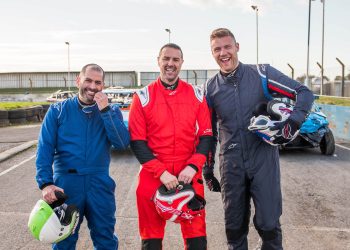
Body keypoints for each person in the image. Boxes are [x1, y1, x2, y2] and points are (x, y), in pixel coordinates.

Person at [203, 28, 314, 250]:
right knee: (234, 228)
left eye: (227, 47)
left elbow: (304, 92)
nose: (223, 53)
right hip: (231, 164)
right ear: (212, 53)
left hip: (263, 159)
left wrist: (293, 121)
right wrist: (208, 169)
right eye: (217, 49)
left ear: (237, 47)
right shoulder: (209, 88)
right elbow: (210, 132)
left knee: (269, 225)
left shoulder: (262, 73)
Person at [35, 63, 130, 250]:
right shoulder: (58, 111)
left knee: (106, 239)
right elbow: (44, 148)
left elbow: (121, 142)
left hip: (99, 182)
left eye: (98, 82)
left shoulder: (111, 111)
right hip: (66, 184)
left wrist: (104, 111)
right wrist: (46, 183)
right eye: (88, 80)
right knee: (64, 240)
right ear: (78, 80)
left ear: (103, 85)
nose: (93, 87)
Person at [128, 43, 213, 250]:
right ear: (158, 61)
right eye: (166, 59)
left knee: (197, 239)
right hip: (153, 175)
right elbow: (137, 142)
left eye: (175, 59)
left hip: (188, 173)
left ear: (182, 63)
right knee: (151, 240)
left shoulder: (196, 94)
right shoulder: (143, 96)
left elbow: (206, 135)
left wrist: (193, 166)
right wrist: (162, 172)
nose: (170, 63)